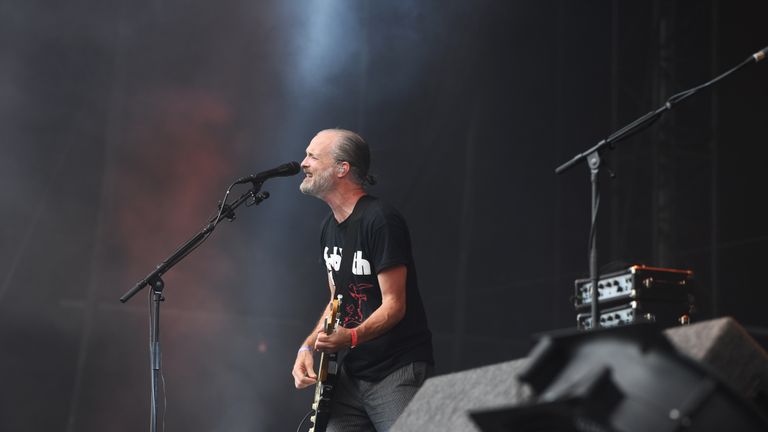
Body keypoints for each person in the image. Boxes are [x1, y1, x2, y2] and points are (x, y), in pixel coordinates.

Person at [292, 128, 434, 432]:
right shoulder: (328, 228)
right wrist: (308, 347)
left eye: (312, 156)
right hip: (352, 374)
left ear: (342, 168)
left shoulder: (380, 219)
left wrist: (351, 337)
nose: (303, 163)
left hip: (395, 369)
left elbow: (395, 305)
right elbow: (337, 302)